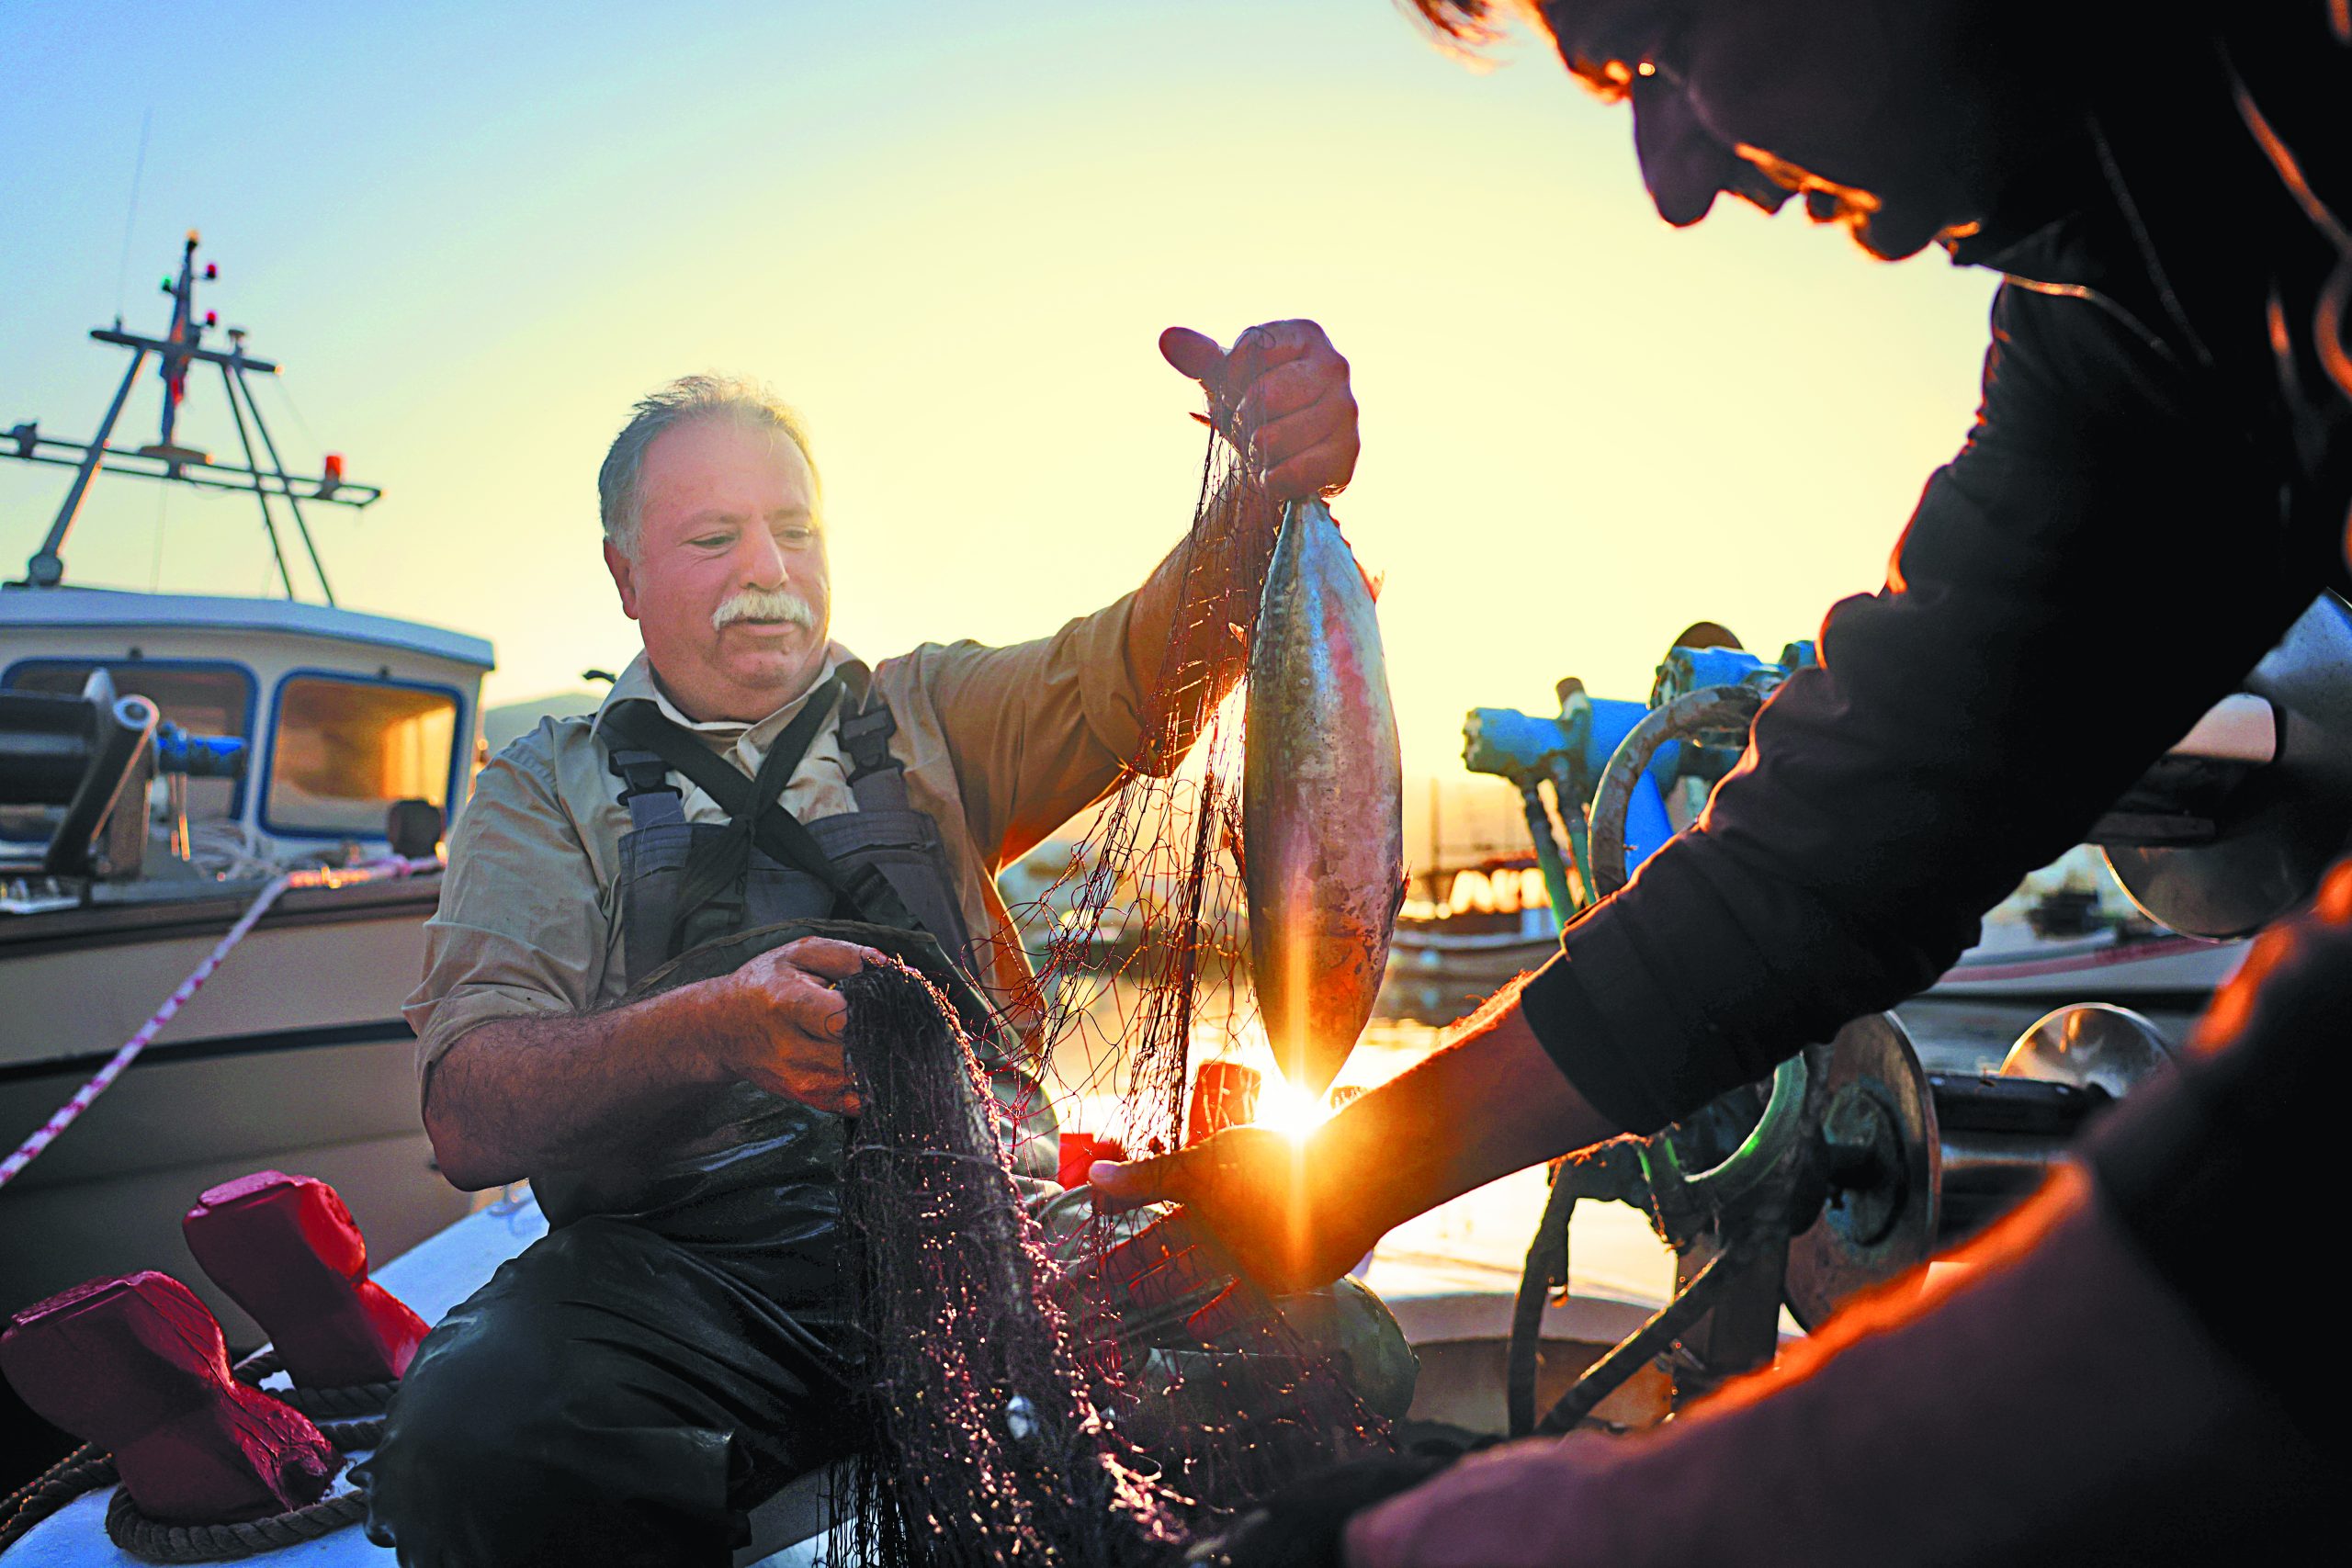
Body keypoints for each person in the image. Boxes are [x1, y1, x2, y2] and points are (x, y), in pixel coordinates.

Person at [1095, 2, 2344, 1561]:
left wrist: (1628, 1522)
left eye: (1657, 46)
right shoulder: (2136, 310)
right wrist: (1339, 1182)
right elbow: (1839, 840)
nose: (1675, 173)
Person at [359, 322, 1369, 1565]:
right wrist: (715, 1029)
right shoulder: (541, 789)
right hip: (690, 1287)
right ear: (625, 576)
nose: (768, 570)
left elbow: (1147, 659)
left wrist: (1266, 483)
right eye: (712, 539)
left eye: (797, 529)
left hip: (998, 1249)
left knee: (1329, 1340)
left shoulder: (928, 715)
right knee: (475, 1440)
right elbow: (472, 1110)